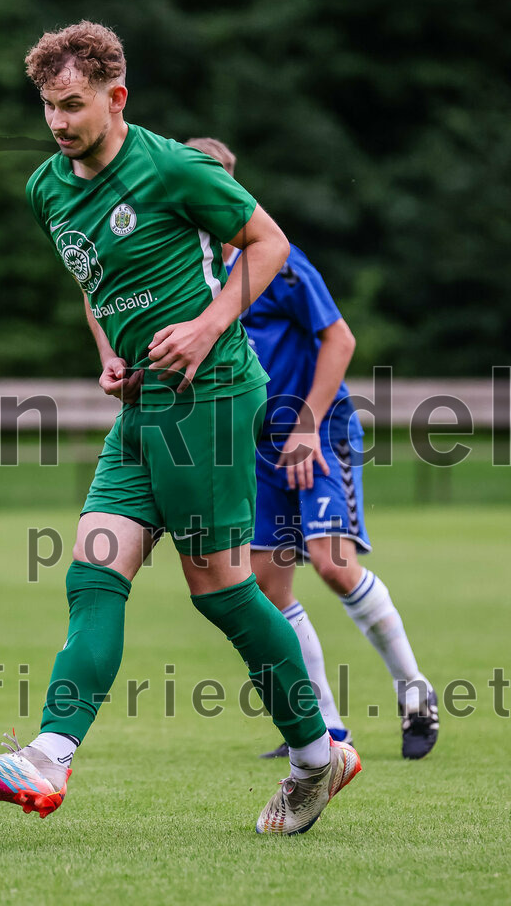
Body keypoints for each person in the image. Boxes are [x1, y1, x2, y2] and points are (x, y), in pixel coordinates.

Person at [0, 22, 361, 835]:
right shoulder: (46, 188)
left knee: (221, 590)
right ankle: (47, 759)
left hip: (211, 397)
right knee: (93, 571)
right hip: (142, 410)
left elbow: (268, 244)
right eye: (47, 107)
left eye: (73, 105)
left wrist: (205, 328)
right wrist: (108, 354)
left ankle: (317, 755)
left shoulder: (172, 167)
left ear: (115, 96)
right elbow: (91, 283)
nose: (58, 123)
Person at [186, 137, 439, 760]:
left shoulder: (278, 260)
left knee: (330, 563)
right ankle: (328, 728)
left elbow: (340, 340)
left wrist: (306, 424)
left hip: (318, 432)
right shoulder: (197, 275)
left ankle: (415, 693)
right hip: (262, 445)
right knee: (271, 590)